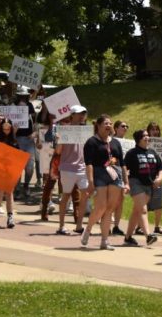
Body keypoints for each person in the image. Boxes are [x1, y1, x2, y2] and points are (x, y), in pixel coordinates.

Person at [80, 114, 128, 251]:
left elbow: (122, 163)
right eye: (106, 123)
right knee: (101, 206)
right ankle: (88, 229)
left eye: (110, 123)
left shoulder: (116, 142)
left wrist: (126, 182)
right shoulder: (91, 142)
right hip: (99, 174)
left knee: (110, 209)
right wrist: (90, 181)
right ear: (99, 126)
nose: (109, 126)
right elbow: (88, 163)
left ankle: (104, 240)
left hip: (114, 175)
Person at [123, 129, 162, 247]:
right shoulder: (132, 153)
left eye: (147, 135)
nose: (147, 138)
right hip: (136, 183)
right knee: (143, 210)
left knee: (136, 212)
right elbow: (125, 169)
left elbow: (161, 168)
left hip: (149, 185)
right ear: (138, 139)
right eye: (144, 136)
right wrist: (126, 183)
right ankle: (148, 236)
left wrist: (160, 178)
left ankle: (128, 237)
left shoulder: (152, 152)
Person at [55, 105, 90, 235]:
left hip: (82, 168)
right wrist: (59, 141)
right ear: (72, 115)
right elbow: (58, 151)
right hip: (67, 168)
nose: (82, 116)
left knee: (85, 195)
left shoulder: (85, 131)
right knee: (66, 196)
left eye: (83, 114)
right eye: (79, 113)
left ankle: (79, 225)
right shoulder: (65, 130)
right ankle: (61, 226)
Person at [13, 86, 36, 201]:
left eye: (24, 95)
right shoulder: (13, 107)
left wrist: (35, 133)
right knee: (17, 167)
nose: (22, 97)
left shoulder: (30, 106)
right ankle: (17, 188)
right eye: (20, 95)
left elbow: (35, 122)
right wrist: (14, 132)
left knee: (30, 167)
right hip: (17, 140)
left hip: (29, 140)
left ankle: (26, 185)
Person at [145, 121, 162, 235]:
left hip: (157, 177)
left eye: (157, 129)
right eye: (153, 129)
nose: (155, 131)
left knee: (158, 202)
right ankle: (140, 227)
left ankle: (157, 227)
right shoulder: (144, 143)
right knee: (144, 203)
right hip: (144, 176)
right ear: (148, 131)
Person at [111, 120, 131, 236]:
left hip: (124, 172)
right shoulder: (111, 141)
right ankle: (106, 223)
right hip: (112, 172)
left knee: (120, 201)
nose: (125, 128)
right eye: (123, 126)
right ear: (116, 128)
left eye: (126, 126)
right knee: (111, 200)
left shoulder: (129, 143)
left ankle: (116, 226)